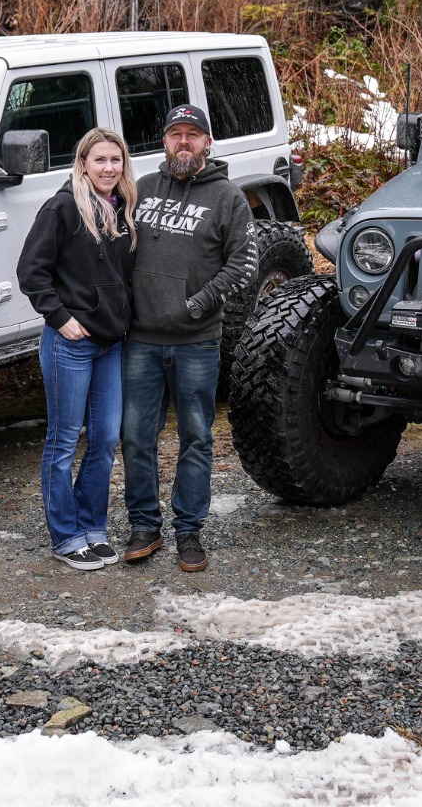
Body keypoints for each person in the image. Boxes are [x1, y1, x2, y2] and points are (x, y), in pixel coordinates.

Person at [120, 104, 257, 571]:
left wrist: (197, 303)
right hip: (140, 339)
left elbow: (244, 265)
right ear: (164, 141)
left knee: (196, 437)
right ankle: (144, 525)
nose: (184, 142)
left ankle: (189, 531)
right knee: (137, 437)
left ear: (207, 144)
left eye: (192, 135)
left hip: (197, 340)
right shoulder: (142, 190)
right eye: (175, 134)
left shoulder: (228, 198)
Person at [16, 128, 138, 571]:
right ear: (83, 162)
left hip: (110, 344)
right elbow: (31, 271)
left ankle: (93, 528)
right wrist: (61, 318)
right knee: (64, 440)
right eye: (100, 160)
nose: (109, 168)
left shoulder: (123, 210)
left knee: (105, 439)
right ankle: (65, 537)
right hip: (70, 343)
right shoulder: (63, 207)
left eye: (116, 160)